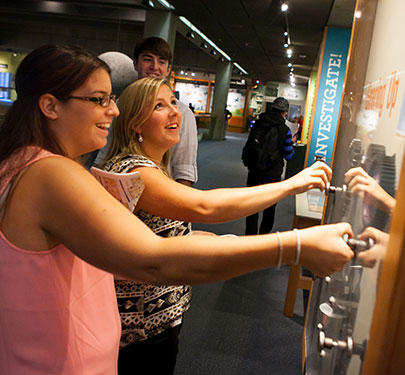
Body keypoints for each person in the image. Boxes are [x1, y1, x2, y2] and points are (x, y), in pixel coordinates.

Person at [0, 44, 354, 375]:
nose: (113, 109)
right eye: (98, 99)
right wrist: (293, 245)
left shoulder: (26, 164)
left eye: (111, 98)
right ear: (50, 106)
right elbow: (158, 253)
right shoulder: (52, 171)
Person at [99, 77, 351, 374]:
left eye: (172, 102)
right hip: (142, 331)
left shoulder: (146, 167)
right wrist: (291, 187)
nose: (173, 112)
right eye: (158, 106)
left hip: (152, 325)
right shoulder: (135, 170)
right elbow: (206, 206)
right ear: (135, 124)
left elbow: (173, 233)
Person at [243, 97, 294, 235]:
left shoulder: (257, 124)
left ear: (272, 108)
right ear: (284, 113)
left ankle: (250, 238)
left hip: (254, 171)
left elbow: (250, 145)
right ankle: (263, 238)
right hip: (273, 174)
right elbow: (288, 154)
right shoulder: (285, 130)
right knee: (269, 209)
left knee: (252, 207)